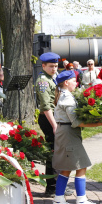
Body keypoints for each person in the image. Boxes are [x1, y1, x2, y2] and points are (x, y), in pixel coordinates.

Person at [52, 70, 102, 204]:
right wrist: (100, 123)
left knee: (66, 168)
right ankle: (81, 200)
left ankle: (58, 200)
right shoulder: (67, 98)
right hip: (68, 134)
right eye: (74, 80)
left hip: (66, 133)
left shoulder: (65, 95)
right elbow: (76, 122)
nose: (76, 83)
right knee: (82, 165)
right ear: (66, 82)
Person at [35, 52, 60, 196]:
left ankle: (56, 185)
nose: (54, 69)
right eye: (51, 66)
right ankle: (51, 187)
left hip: (54, 117)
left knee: (57, 152)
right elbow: (46, 106)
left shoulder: (51, 78)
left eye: (56, 66)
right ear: (43, 66)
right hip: (49, 118)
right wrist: (55, 125)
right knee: (53, 153)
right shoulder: (43, 81)